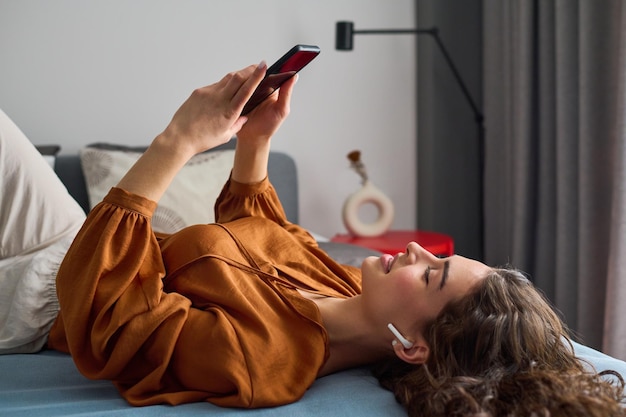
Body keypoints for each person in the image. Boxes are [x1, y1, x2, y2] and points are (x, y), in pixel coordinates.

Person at [1, 62, 624, 416]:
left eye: (431, 274)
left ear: (411, 348)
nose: (414, 251)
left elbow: (118, 320)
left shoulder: (262, 361)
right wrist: (256, 139)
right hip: (77, 243)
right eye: (438, 257)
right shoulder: (345, 281)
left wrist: (179, 142)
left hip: (39, 292)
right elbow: (264, 231)